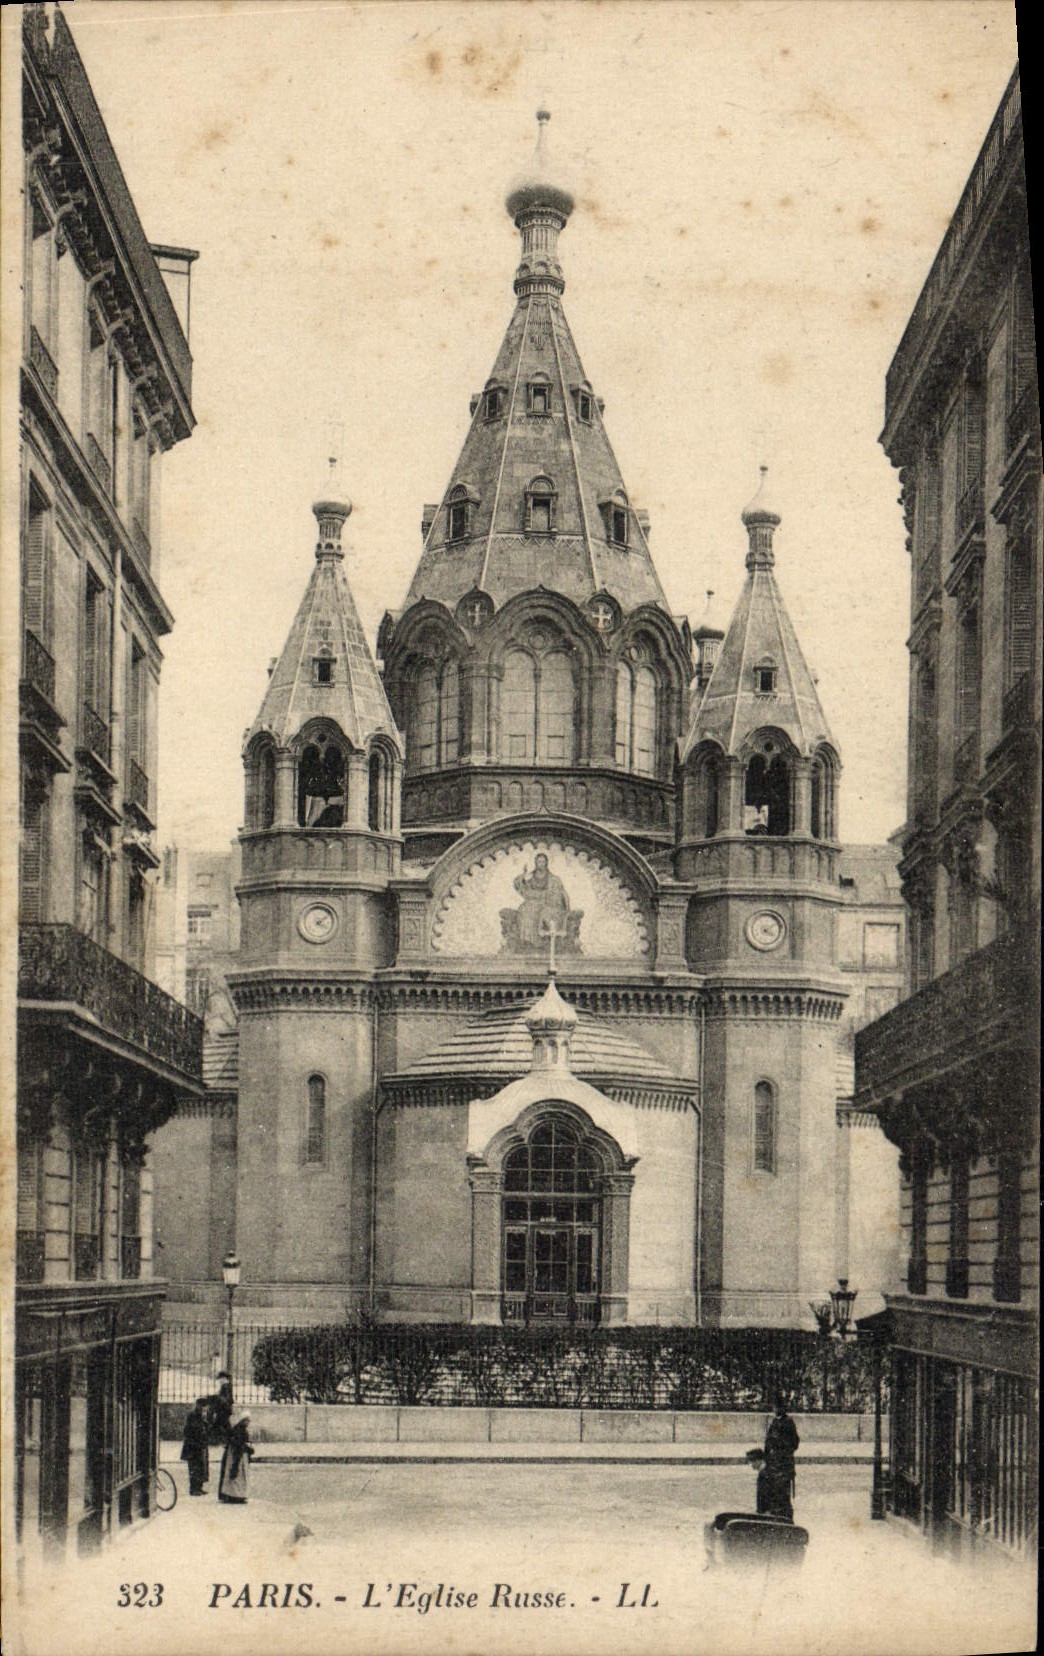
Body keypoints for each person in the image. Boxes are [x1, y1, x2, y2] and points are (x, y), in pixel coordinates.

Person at [757, 1395, 800, 1521]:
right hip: (773, 1463)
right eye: (774, 1407)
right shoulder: (775, 1422)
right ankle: (765, 1514)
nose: (775, 1410)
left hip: (783, 1466)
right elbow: (768, 1442)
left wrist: (780, 1447)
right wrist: (765, 1459)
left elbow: (794, 1443)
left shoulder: (788, 1422)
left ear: (782, 1408)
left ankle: (786, 1519)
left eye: (776, 1407)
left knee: (782, 1494)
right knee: (765, 1484)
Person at [218, 1408, 254, 1504]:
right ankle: (236, 1495)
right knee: (238, 1475)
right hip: (238, 1455)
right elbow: (239, 1444)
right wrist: (248, 1449)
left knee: (238, 1476)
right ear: (243, 1420)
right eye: (247, 1420)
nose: (248, 1422)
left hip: (238, 1454)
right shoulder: (240, 1430)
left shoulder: (238, 1429)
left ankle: (234, 1495)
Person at [180, 1398, 210, 1496]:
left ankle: (199, 1487)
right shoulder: (192, 1415)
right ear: (198, 1405)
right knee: (194, 1468)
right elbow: (188, 1430)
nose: (204, 1409)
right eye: (202, 1407)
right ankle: (193, 1489)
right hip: (193, 1447)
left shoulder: (202, 1416)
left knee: (202, 1467)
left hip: (201, 1445)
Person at [208, 1371, 233, 1445]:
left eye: (220, 1379)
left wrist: (217, 1397)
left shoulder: (226, 1386)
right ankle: (228, 1439)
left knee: (220, 1425)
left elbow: (227, 1399)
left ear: (224, 1378)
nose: (219, 1380)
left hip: (223, 1410)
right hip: (223, 1409)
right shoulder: (226, 1386)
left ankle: (229, 1439)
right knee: (222, 1425)